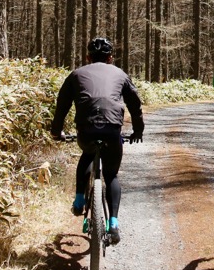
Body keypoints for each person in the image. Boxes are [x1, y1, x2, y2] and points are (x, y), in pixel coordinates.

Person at [50, 36, 144, 244]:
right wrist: (138, 131)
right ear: (110, 58)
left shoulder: (76, 74)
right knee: (111, 175)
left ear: (87, 57)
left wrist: (56, 132)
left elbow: (61, 107)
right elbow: (135, 106)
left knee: (88, 153)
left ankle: (79, 200)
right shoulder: (120, 74)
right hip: (112, 130)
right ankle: (113, 223)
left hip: (87, 130)